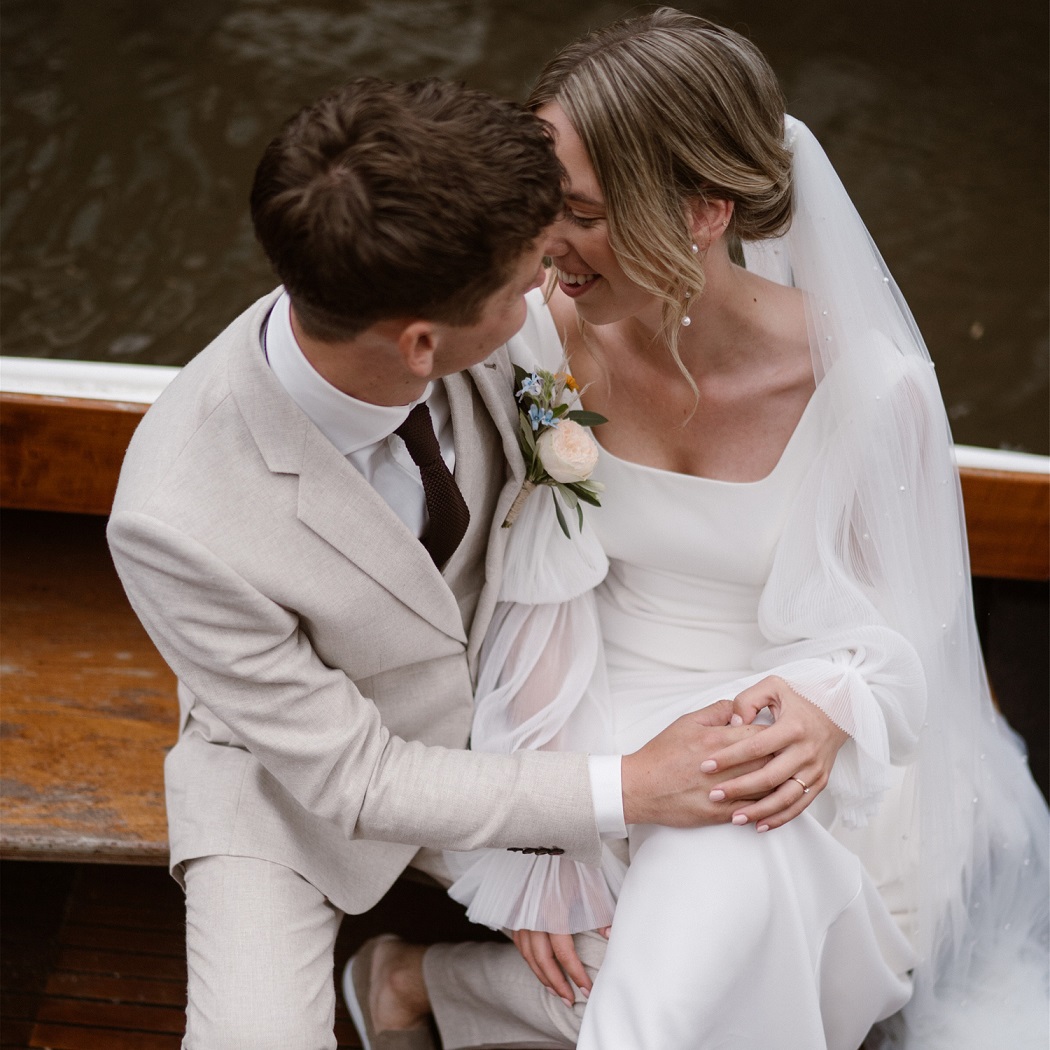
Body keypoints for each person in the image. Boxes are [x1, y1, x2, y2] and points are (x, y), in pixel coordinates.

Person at [361, 11, 1050, 1049]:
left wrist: (827, 710)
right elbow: (547, 580)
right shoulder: (544, 337)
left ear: (703, 210)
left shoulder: (870, 392)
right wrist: (555, 834)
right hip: (595, 702)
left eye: (583, 215)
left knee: (735, 844)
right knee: (737, 900)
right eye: (545, 207)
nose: (548, 246)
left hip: (777, 723)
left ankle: (417, 983)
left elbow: (907, 640)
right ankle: (425, 984)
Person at [107, 74, 773, 1050]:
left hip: (522, 709)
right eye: (527, 279)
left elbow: (570, 490)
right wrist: (615, 794)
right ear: (425, 344)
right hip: (296, 791)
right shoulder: (173, 516)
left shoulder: (485, 319)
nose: (551, 285)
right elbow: (357, 780)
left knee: (685, 990)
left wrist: (555, 834)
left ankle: (412, 985)